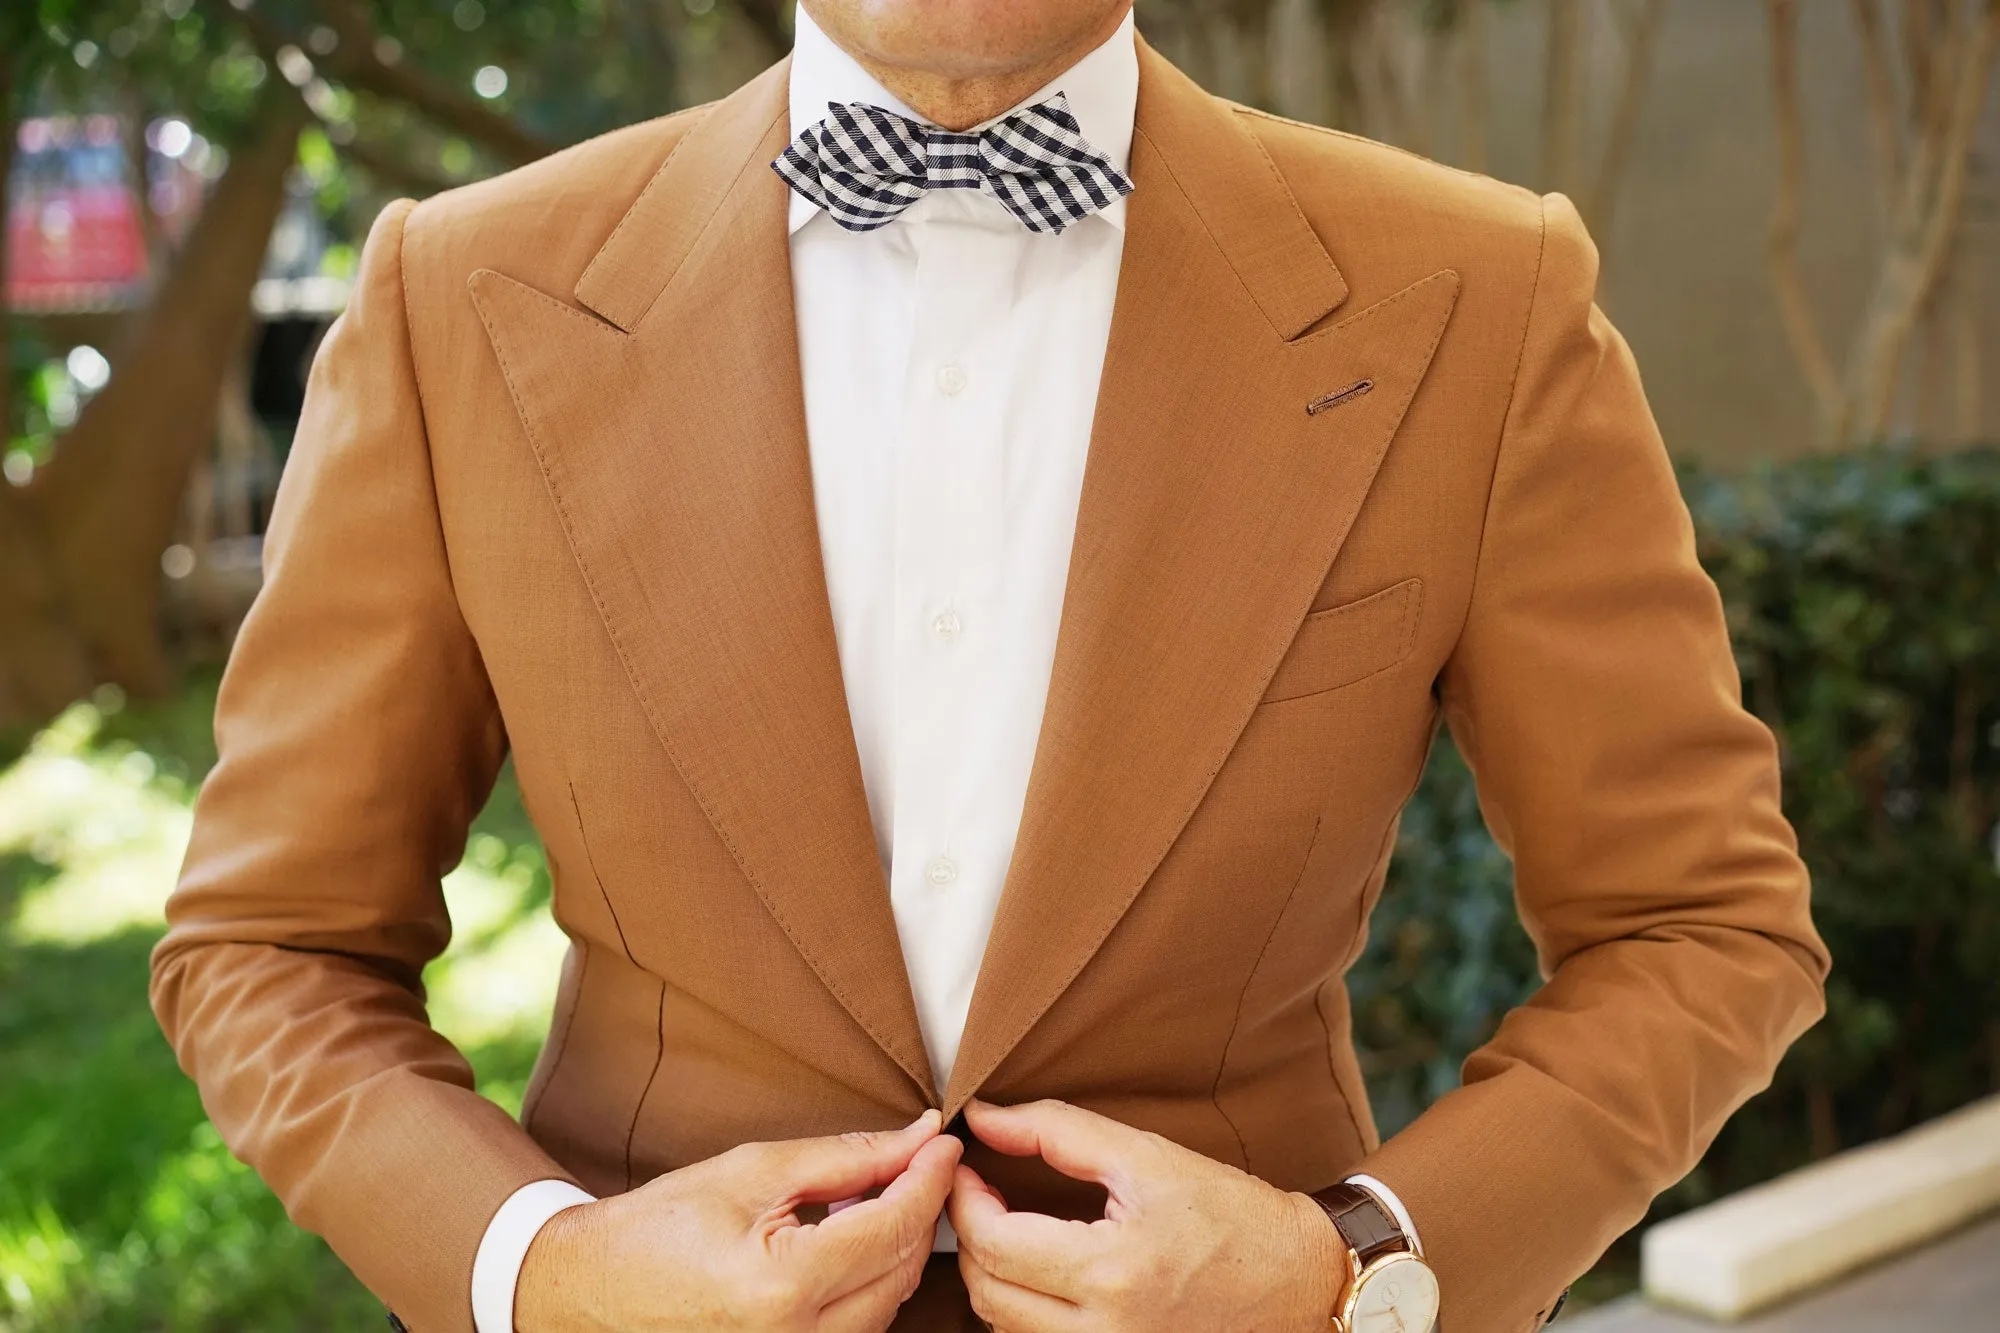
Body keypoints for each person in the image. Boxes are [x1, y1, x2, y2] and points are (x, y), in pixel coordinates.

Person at [150, 1, 1830, 1329]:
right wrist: (541, 1273)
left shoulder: (1480, 295)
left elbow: (1700, 927)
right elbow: (270, 945)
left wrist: (1358, 1271)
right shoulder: (459, 300)